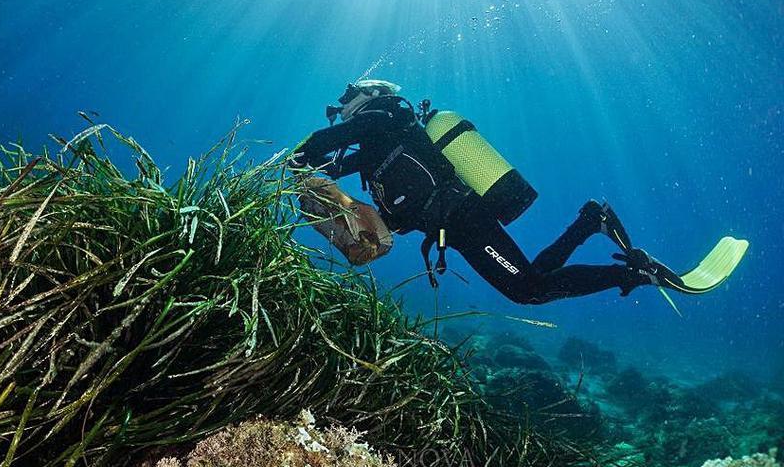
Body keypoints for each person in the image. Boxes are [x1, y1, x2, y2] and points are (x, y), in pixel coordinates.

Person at [289, 80, 693, 305]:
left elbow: (329, 139)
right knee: (533, 278)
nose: (339, 109)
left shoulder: (386, 118)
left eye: (343, 102)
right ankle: (590, 220)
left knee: (529, 290)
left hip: (464, 219)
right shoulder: (378, 148)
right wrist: (305, 182)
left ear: (366, 97)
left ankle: (637, 272)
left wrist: (296, 156)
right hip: (456, 227)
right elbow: (336, 164)